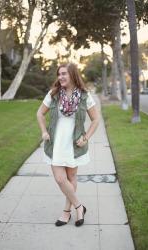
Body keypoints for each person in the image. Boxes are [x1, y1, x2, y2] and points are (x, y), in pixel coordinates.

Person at [37, 62, 99, 227]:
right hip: (56, 144)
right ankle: (79, 207)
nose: (60, 77)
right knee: (60, 178)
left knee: (71, 178)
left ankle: (66, 212)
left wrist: (86, 137)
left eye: (64, 73)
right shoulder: (54, 94)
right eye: (59, 74)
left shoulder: (85, 96)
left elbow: (96, 120)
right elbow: (40, 113)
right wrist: (44, 131)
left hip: (73, 145)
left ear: (73, 75)